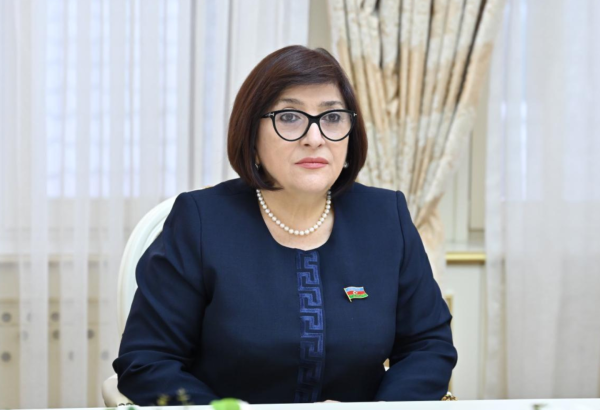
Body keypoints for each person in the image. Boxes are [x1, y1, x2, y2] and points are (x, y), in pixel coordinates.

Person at [112, 45, 457, 405]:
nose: (315, 138)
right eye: (290, 117)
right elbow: (148, 361)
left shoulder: (385, 217)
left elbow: (427, 346)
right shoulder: (200, 221)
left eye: (332, 117)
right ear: (252, 135)